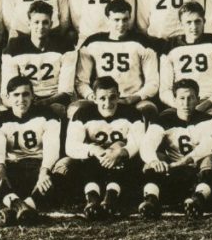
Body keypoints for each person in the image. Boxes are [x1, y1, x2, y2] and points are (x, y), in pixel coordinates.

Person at [0, 76, 63, 225]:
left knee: (65, 165)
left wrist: (45, 171)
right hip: (14, 168)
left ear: (32, 96)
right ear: (8, 98)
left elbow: (52, 146)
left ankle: (21, 207)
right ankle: (19, 206)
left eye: (25, 94)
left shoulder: (47, 114)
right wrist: (0, 167)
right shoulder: (0, 118)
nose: (21, 99)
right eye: (16, 95)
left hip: (39, 167)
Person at [56, 76, 145, 220]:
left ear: (119, 96)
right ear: (95, 99)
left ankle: (111, 197)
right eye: (102, 98)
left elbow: (138, 142)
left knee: (127, 156)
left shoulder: (132, 113)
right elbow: (71, 146)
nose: (108, 103)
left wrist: (121, 152)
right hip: (95, 160)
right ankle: (93, 199)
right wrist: (93, 149)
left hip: (121, 160)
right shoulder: (82, 114)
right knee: (82, 160)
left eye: (112, 97)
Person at [139, 79, 212, 217]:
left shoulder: (209, 120)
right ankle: (151, 200)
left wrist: (186, 160)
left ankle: (198, 199)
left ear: (198, 100)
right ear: (175, 100)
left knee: (210, 158)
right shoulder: (163, 120)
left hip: (197, 170)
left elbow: (208, 146)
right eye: (182, 98)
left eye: (191, 98)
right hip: (173, 171)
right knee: (154, 159)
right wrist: (154, 161)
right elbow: (147, 143)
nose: (186, 103)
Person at [75, 0, 160, 120]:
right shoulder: (93, 42)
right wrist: (91, 96)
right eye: (116, 20)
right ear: (107, 19)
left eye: (125, 19)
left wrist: (136, 97)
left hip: (132, 99)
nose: (121, 24)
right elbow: (81, 80)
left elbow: (153, 82)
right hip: (102, 101)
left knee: (148, 109)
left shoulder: (142, 42)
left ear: (130, 18)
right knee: (76, 108)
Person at [0, 1, 76, 117]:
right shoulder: (14, 48)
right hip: (24, 99)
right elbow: (7, 90)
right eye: (36, 22)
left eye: (45, 22)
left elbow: (66, 91)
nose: (40, 27)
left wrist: (44, 103)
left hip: (54, 99)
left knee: (57, 109)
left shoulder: (65, 46)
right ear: (29, 23)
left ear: (51, 24)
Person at [159, 3, 212, 113]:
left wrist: (207, 103)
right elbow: (164, 90)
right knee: (165, 118)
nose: (194, 27)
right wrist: (179, 105)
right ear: (181, 24)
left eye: (197, 21)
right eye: (188, 22)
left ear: (204, 21)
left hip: (208, 102)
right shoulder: (170, 47)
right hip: (180, 103)